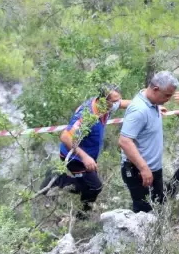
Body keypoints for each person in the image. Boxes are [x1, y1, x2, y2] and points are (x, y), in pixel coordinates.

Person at [40, 84, 131, 217]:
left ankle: (83, 213)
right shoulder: (86, 115)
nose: (117, 104)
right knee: (94, 187)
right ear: (103, 100)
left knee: (91, 187)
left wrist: (149, 105)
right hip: (74, 158)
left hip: (86, 156)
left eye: (118, 100)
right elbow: (65, 136)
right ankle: (57, 181)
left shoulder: (107, 105)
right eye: (114, 101)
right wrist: (85, 157)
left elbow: (124, 103)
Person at [118, 71, 178, 213]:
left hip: (153, 169)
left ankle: (156, 234)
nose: (169, 99)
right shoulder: (139, 109)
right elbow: (125, 141)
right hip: (139, 171)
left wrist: (158, 107)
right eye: (167, 95)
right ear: (155, 89)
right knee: (144, 213)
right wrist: (144, 168)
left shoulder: (152, 102)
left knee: (158, 206)